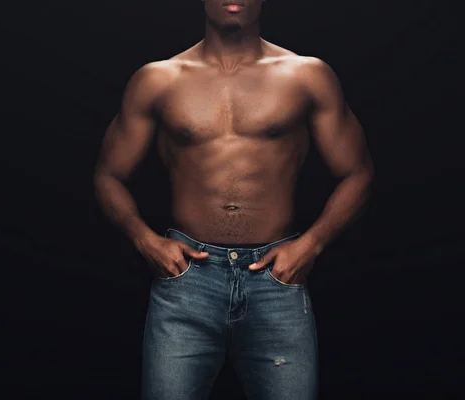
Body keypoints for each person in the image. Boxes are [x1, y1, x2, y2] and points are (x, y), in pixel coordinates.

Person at [93, 0, 374, 398]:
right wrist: (145, 240)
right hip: (187, 283)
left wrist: (311, 246)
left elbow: (358, 172)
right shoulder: (159, 79)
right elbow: (108, 175)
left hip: (276, 282)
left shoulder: (306, 75)